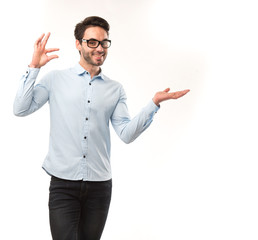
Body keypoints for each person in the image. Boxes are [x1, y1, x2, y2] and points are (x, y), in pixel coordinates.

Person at [13, 16, 190, 240]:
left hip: (100, 187)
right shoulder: (55, 80)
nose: (100, 48)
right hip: (63, 185)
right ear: (79, 44)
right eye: (93, 42)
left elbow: (126, 134)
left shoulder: (115, 89)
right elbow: (20, 109)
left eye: (104, 42)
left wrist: (153, 103)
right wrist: (33, 68)